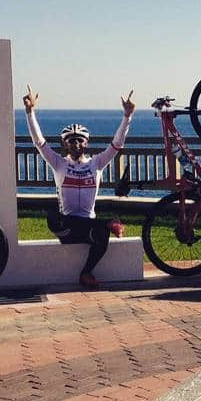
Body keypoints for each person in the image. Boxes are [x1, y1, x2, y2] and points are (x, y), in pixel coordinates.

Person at [22, 85, 135, 288]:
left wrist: (127, 117)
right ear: (64, 144)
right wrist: (30, 113)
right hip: (66, 228)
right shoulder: (59, 163)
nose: (75, 144)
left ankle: (86, 273)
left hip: (88, 230)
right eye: (71, 141)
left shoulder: (96, 164)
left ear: (87, 143)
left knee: (102, 232)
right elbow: (39, 142)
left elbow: (116, 145)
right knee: (52, 217)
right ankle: (107, 223)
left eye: (79, 140)